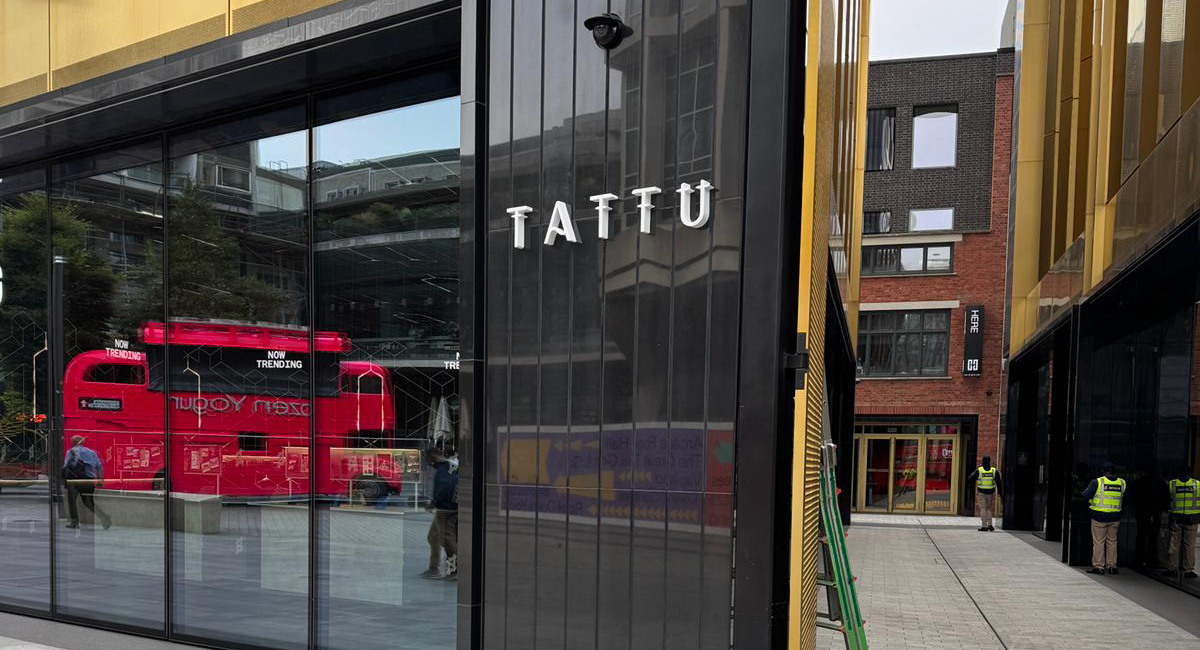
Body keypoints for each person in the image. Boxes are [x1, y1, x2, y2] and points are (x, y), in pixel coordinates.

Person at [419, 447, 458, 580]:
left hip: (446, 509)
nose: (428, 464)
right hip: (448, 507)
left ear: (432, 458)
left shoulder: (443, 469)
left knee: (447, 540)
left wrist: (434, 502)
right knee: (433, 537)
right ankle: (433, 568)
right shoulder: (450, 466)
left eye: (428, 460)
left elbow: (445, 487)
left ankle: (454, 571)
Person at [1081, 462, 1125, 575]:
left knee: (1099, 542)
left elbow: (1085, 495)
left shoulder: (1097, 482)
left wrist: (1091, 501)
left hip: (1099, 517)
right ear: (1114, 471)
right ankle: (1112, 566)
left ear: (1102, 471)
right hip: (1115, 517)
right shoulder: (1122, 483)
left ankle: (1099, 567)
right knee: (1112, 541)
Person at [63, 435, 111, 530]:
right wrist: (100, 480)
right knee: (89, 503)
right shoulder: (92, 452)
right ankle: (104, 517)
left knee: (72, 501)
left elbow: (65, 466)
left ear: (74, 442)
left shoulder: (70, 452)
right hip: (89, 480)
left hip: (75, 480)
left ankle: (74, 522)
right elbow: (99, 466)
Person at [1161, 466, 1199, 579]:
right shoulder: (1197, 484)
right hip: (1192, 519)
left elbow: (1166, 500)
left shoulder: (1172, 484)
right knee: (1189, 545)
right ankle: (1188, 570)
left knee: (1174, 544)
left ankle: (1172, 568)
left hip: (1176, 518)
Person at [967, 456, 1002, 531]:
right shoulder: (994, 470)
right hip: (990, 492)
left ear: (982, 462)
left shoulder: (979, 470)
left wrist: (977, 479)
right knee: (988, 508)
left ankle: (984, 526)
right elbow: (999, 482)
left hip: (981, 492)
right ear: (989, 461)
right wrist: (1000, 492)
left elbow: (970, 478)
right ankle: (990, 525)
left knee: (983, 508)